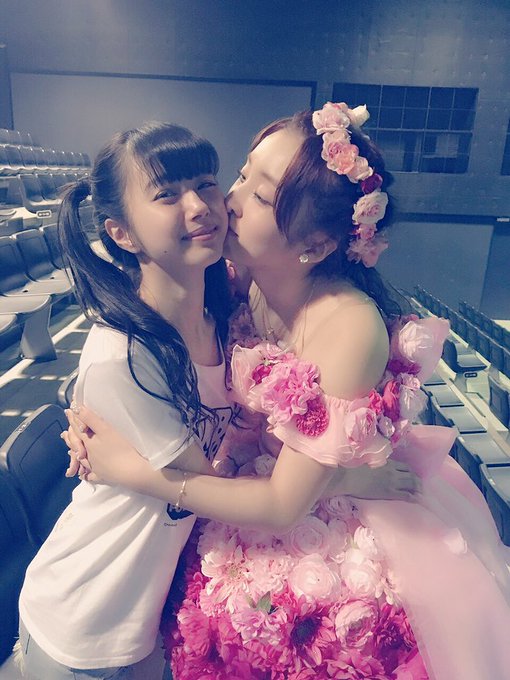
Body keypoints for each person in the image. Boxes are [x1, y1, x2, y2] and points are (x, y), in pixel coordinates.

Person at [65, 103, 510, 679]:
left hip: (317, 524)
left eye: (259, 195)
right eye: (241, 174)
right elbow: (141, 314)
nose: (228, 201)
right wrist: (94, 406)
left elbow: (283, 503)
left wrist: (131, 468)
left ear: (317, 245)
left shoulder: (348, 326)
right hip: (238, 494)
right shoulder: (232, 279)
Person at [16, 121, 237, 679]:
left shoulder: (222, 322)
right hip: (85, 621)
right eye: (167, 194)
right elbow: (213, 493)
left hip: (146, 619)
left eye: (206, 184)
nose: (199, 206)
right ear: (122, 234)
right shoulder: (125, 354)